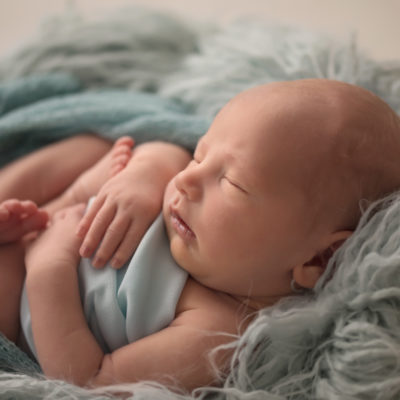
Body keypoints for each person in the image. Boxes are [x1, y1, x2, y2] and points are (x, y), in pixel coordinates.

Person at [1, 79, 400, 391]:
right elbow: (164, 148)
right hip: (67, 214)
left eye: (233, 184)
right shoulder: (189, 203)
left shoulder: (215, 333)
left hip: (29, 296)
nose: (187, 179)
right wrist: (146, 175)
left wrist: (47, 266)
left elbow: (85, 381)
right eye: (201, 154)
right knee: (95, 146)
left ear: (319, 259)